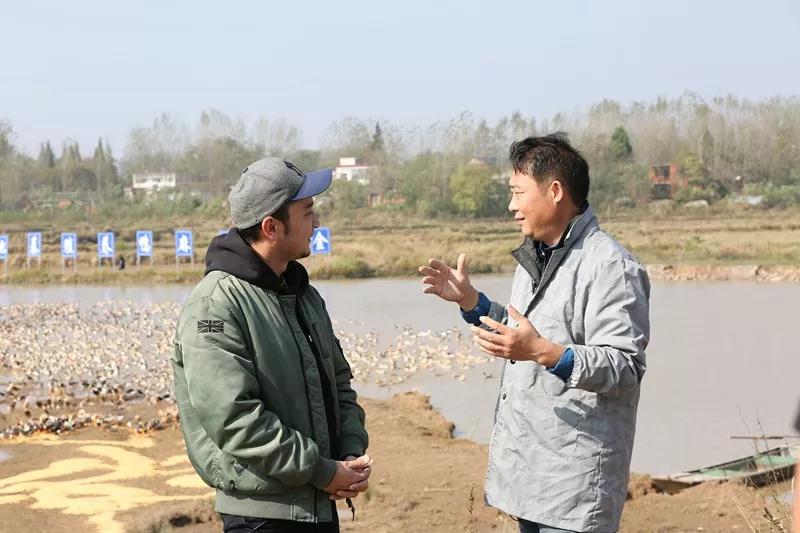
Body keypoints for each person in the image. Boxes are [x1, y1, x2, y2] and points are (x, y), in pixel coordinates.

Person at [419, 133, 650, 533]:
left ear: (555, 191)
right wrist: (472, 302)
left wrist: (544, 352)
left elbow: (625, 367)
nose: (511, 206)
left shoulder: (610, 267)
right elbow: (522, 333)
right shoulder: (535, 257)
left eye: (518, 192)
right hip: (530, 480)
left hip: (575, 491)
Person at [172, 158, 370, 533]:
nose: (317, 223)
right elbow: (235, 419)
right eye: (307, 212)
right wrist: (323, 471)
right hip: (261, 517)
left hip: (318, 504)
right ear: (272, 227)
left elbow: (339, 384)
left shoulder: (303, 296)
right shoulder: (216, 304)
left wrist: (349, 451)